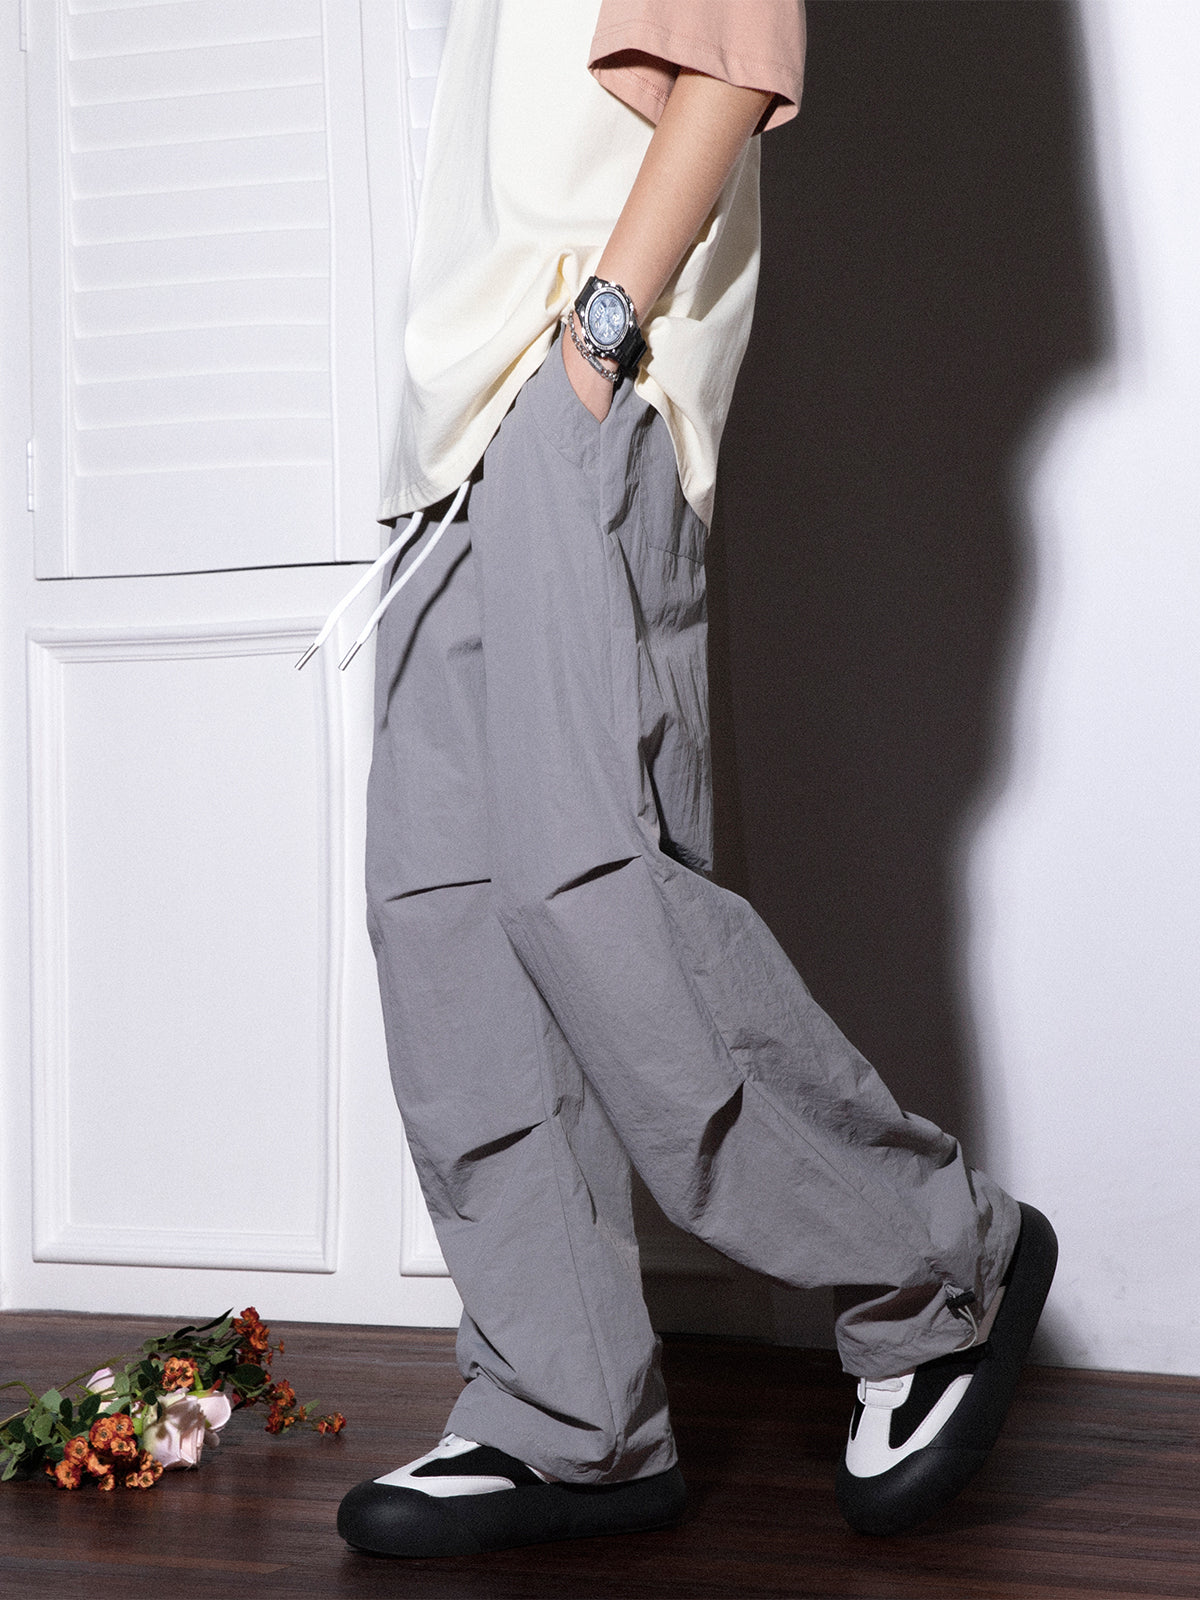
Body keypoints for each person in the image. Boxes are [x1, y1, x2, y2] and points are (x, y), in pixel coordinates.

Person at [317, 0, 1057, 1558]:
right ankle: (562, 1410)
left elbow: (728, 46)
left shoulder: (592, 355)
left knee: (592, 880)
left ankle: (938, 1266)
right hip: (451, 431)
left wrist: (600, 337)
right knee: (444, 924)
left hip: (578, 366)